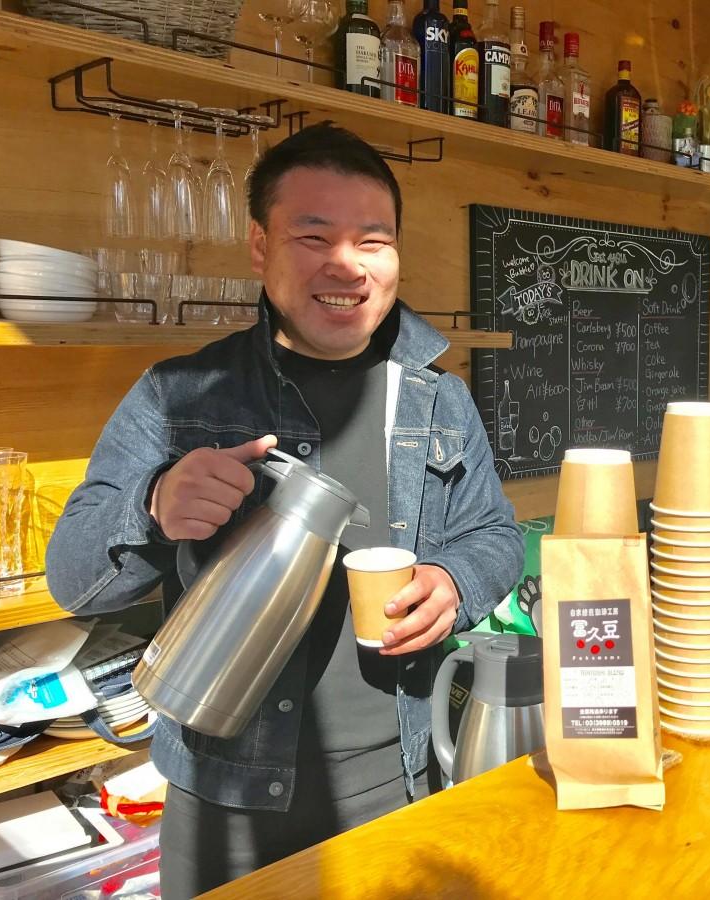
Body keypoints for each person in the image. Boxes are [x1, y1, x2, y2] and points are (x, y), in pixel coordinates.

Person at [45, 123, 523, 896]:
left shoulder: (440, 399)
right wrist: (155, 505)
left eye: (373, 240)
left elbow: (494, 533)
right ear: (260, 247)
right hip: (225, 805)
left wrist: (456, 580)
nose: (347, 266)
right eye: (314, 236)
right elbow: (71, 579)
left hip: (397, 783)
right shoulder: (178, 396)